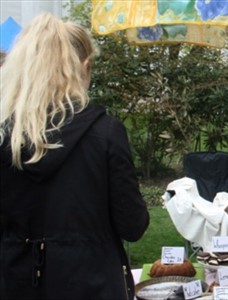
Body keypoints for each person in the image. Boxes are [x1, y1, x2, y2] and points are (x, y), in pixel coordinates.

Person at [0, 14, 149, 299]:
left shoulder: (5, 135)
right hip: (93, 283)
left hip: (17, 281)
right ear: (84, 67)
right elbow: (133, 225)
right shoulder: (106, 133)